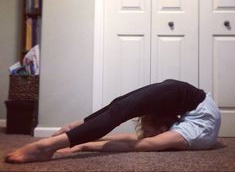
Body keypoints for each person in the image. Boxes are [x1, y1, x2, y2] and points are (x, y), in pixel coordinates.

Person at [5, 79, 221, 163]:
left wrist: (83, 145)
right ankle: (74, 127)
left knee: (121, 106)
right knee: (121, 106)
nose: (141, 133)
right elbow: (134, 139)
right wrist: (81, 138)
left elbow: (132, 143)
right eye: (145, 129)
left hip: (192, 103)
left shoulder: (176, 137)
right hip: (192, 98)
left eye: (145, 127)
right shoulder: (176, 134)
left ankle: (47, 146)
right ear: (163, 126)